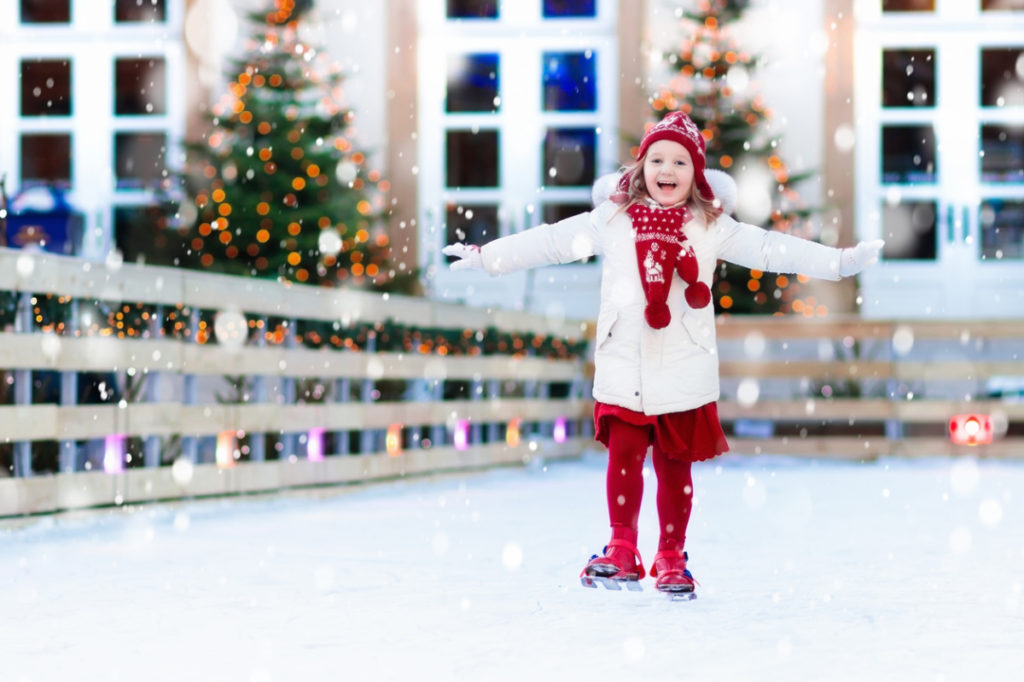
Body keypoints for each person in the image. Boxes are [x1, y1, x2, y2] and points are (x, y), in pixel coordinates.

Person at [443, 111, 884, 596]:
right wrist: (488, 259)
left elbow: (770, 249)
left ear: (696, 174)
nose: (666, 169)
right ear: (640, 168)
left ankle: (672, 556)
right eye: (656, 159)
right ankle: (622, 548)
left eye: (679, 161)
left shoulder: (711, 226)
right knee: (625, 460)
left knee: (675, 468)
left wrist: (839, 263)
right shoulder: (611, 219)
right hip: (624, 362)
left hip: (682, 365)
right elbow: (550, 242)